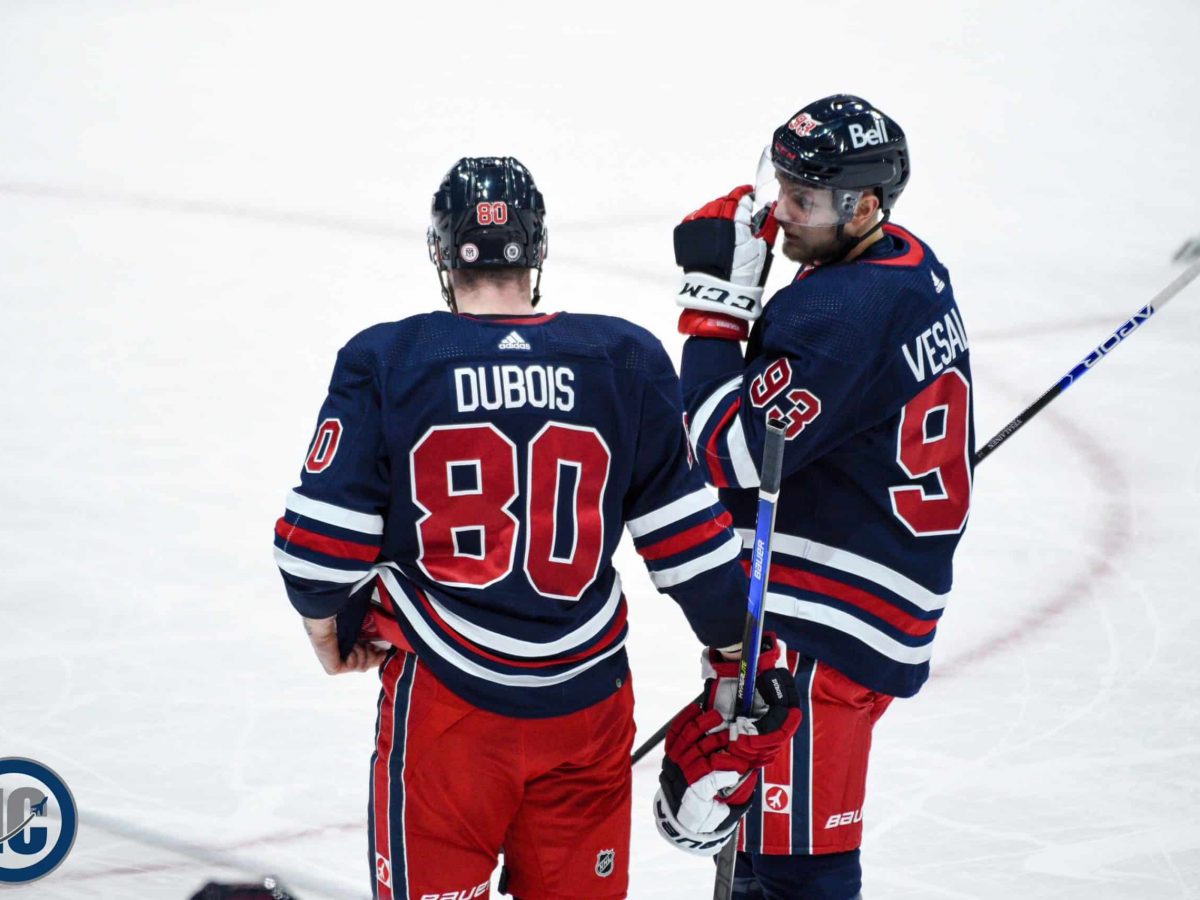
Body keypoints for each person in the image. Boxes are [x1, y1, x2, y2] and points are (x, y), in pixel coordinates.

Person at [272, 156, 799, 900]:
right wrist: (740, 651)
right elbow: (687, 541)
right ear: (538, 249)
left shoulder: (388, 359)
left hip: (446, 709)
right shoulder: (623, 357)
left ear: (441, 252)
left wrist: (330, 630)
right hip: (587, 706)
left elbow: (317, 557)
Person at [669, 95, 975, 899]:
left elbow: (725, 449)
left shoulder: (840, 309)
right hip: (867, 591)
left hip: (822, 620)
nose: (780, 211)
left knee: (798, 867)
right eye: (781, 186)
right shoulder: (908, 262)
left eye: (802, 198)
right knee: (769, 849)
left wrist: (713, 314)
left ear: (865, 206)